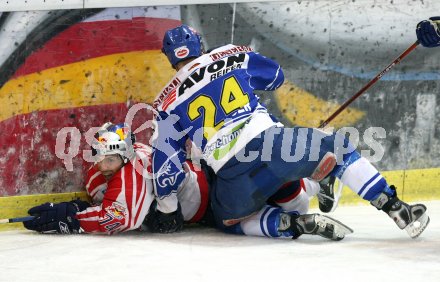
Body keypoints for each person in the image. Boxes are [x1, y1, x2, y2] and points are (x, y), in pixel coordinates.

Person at [151, 23, 434, 239]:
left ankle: (290, 225)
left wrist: (167, 210)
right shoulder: (231, 55)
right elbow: (276, 76)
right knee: (339, 149)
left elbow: (165, 163)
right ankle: (394, 205)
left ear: (169, 57)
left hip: (232, 178)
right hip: (277, 146)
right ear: (199, 44)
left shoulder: (165, 101)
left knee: (226, 220)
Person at [23, 121, 350, 240]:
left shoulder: (132, 172)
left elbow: (120, 217)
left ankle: (297, 213)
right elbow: (113, 200)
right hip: (210, 180)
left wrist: (74, 220)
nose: (104, 166)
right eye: (100, 158)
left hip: (213, 199)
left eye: (109, 159)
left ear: (122, 155)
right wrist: (82, 207)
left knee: (233, 223)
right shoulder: (133, 155)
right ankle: (301, 209)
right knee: (261, 194)